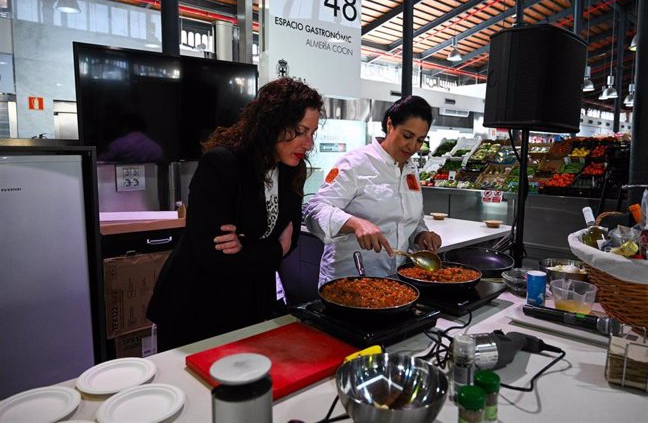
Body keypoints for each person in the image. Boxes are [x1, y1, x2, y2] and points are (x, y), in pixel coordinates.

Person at [147, 77, 323, 351]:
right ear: (272, 123)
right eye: (301, 131)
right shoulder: (222, 164)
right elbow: (215, 257)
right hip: (197, 308)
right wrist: (275, 247)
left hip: (252, 307)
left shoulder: (291, 172)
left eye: (312, 133)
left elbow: (293, 241)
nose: (308, 143)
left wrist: (247, 244)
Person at [303, 95, 441, 285]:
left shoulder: (410, 169)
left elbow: (411, 220)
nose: (413, 146)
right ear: (390, 125)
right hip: (350, 281)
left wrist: (421, 234)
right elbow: (314, 210)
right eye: (407, 136)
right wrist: (355, 224)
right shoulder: (355, 164)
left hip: (395, 280)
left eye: (420, 140)